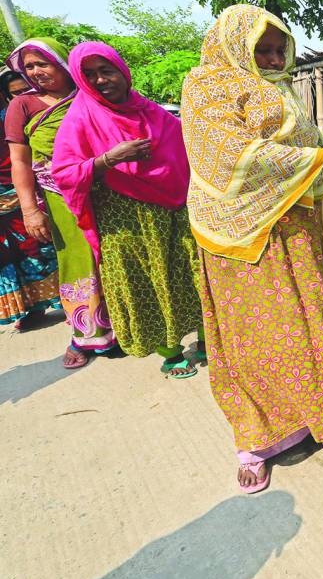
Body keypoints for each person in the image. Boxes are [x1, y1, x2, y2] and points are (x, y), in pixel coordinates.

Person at [181, 4, 323, 492]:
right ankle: (256, 441)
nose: (268, 58)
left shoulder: (282, 89)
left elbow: (304, 148)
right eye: (259, 49)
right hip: (239, 235)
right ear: (232, 46)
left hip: (295, 227)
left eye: (276, 49)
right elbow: (227, 157)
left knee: (310, 324)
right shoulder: (205, 85)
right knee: (252, 337)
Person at [51, 42, 204, 378]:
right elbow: (62, 172)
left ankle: (208, 339)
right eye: (89, 75)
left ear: (123, 70)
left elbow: (188, 148)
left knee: (188, 273)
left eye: (107, 70)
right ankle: (171, 352)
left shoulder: (151, 111)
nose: (101, 80)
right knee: (146, 283)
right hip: (124, 218)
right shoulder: (81, 116)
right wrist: (110, 158)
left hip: (173, 210)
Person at [4, 39, 117, 367]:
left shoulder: (88, 94)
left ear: (61, 62)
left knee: (113, 256)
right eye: (29, 67)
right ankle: (84, 335)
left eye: (43, 63)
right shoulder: (22, 106)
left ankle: (123, 326)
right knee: (76, 260)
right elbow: (20, 163)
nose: (35, 72)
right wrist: (30, 209)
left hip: (105, 189)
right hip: (59, 197)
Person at [1, 70, 61, 330]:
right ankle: (31, 309)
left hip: (32, 190)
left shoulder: (26, 116)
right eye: (15, 92)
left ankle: (69, 302)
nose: (22, 96)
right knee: (12, 258)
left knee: (42, 249)